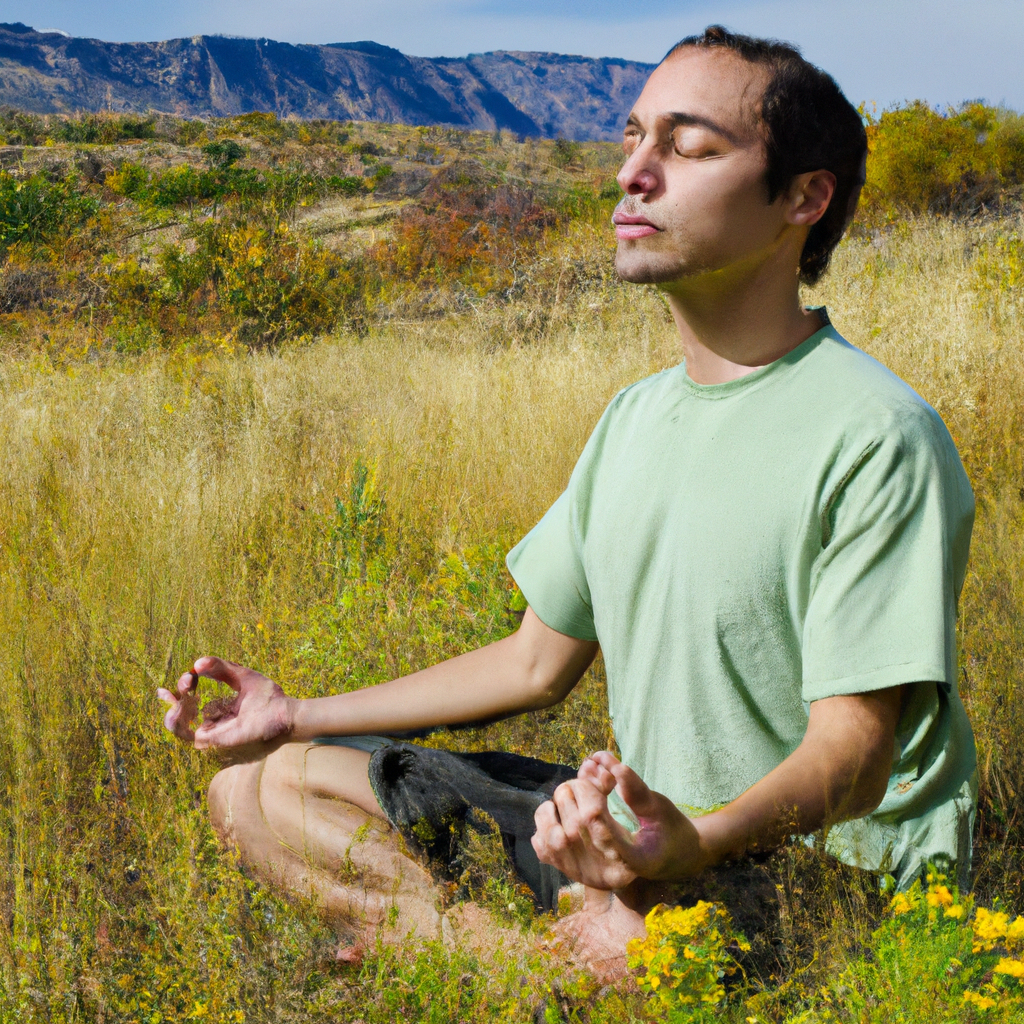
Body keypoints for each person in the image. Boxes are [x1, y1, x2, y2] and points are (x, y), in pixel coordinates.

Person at [158, 26, 977, 977]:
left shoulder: (875, 435)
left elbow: (853, 759)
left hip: (810, 875)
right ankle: (500, 962)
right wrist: (294, 713)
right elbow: (534, 661)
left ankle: (515, 960)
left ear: (805, 196)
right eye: (632, 138)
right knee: (257, 789)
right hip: (645, 844)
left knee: (633, 938)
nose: (635, 171)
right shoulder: (636, 417)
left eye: (689, 146)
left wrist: (690, 847)